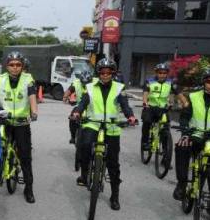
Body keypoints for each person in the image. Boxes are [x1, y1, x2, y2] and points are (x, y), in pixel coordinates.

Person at [71, 59, 137, 210]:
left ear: (113, 73)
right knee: (85, 146)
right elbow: (83, 103)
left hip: (112, 127)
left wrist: (130, 116)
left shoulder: (119, 87)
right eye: (102, 72)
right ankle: (85, 173)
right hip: (93, 124)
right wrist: (77, 112)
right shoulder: (90, 87)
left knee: (113, 163)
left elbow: (125, 105)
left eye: (108, 72)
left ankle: (115, 195)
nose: (105, 75)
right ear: (98, 73)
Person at [173, 67, 210, 209]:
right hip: (195, 136)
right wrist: (185, 132)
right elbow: (185, 116)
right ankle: (181, 184)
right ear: (204, 82)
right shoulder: (194, 97)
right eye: (209, 81)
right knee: (181, 147)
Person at [0, 51, 38, 203]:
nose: (15, 68)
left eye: (18, 65)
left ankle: (28, 188)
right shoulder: (1, 79)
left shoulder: (27, 79)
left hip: (21, 122)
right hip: (4, 119)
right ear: (7, 66)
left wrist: (34, 112)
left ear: (22, 66)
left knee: (25, 156)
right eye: (12, 65)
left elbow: (32, 96)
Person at [141, 63, 179, 151]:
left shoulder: (170, 82)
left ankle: (166, 153)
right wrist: (145, 102)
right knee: (146, 122)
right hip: (150, 107)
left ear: (167, 74)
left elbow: (174, 93)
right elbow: (145, 93)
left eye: (164, 73)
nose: (162, 75)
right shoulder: (149, 81)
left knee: (165, 129)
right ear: (156, 73)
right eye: (160, 73)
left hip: (163, 108)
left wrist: (172, 102)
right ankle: (145, 142)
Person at [63, 70, 94, 144]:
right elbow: (69, 90)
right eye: (84, 83)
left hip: (93, 106)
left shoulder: (97, 82)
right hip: (79, 105)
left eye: (87, 83)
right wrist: (65, 97)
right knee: (72, 118)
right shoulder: (76, 83)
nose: (85, 85)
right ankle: (73, 136)